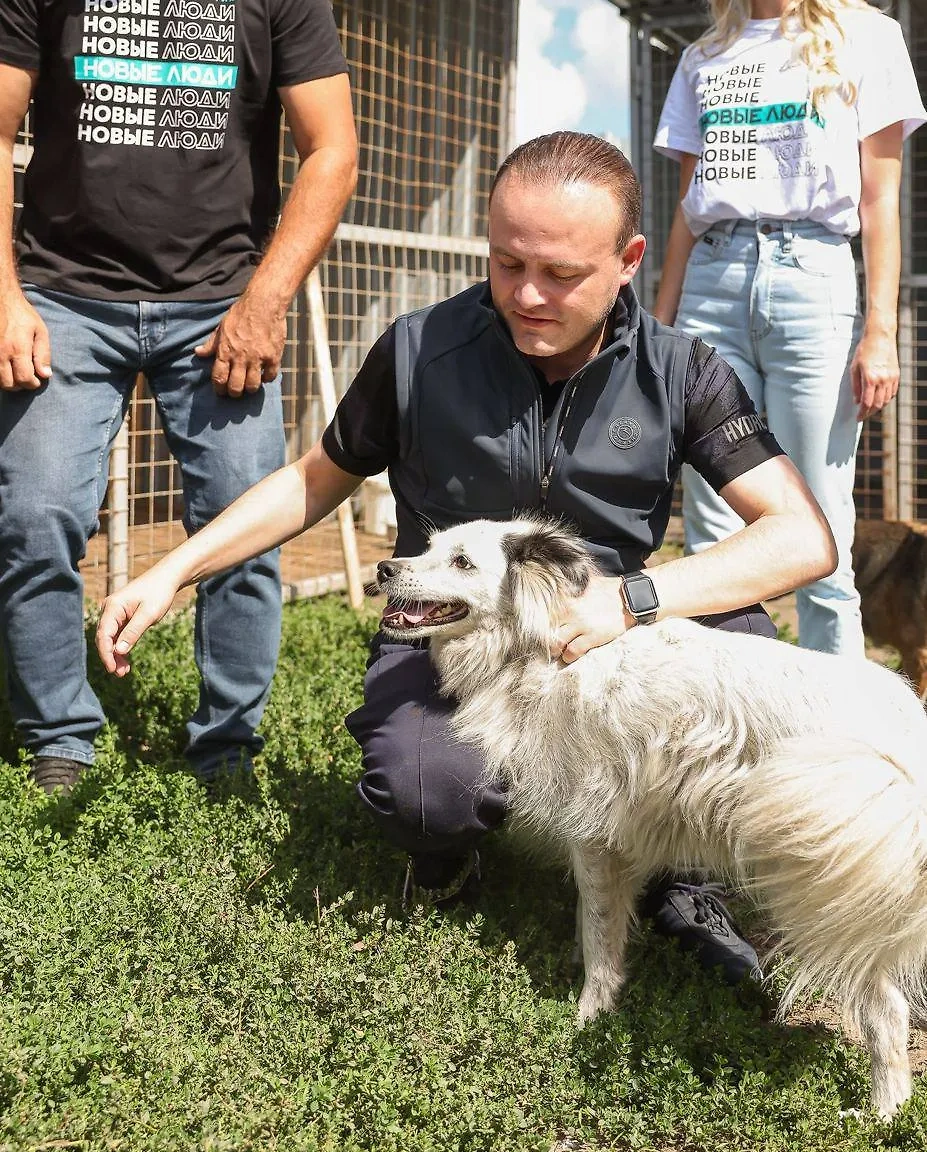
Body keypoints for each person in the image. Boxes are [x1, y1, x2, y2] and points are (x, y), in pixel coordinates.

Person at [97, 132, 837, 982]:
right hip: (456, 634)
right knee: (427, 792)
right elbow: (314, 481)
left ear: (629, 259)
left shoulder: (682, 371)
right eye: (506, 261)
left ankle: (677, 874)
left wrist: (627, 600)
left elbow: (800, 537)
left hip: (610, 637)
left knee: (738, 650)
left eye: (560, 274)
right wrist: (170, 569)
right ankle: (451, 852)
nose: (526, 295)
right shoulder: (418, 348)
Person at [0, 0, 358, 793]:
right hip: (64, 296)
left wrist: (266, 299)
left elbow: (330, 147)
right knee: (33, 516)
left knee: (246, 526)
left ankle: (227, 747)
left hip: (221, 304)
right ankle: (58, 735)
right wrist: (3, 294)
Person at [652, 0, 926, 656]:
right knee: (710, 531)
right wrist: (659, 327)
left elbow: (879, 198)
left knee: (822, 530)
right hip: (710, 282)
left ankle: (839, 738)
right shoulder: (702, 56)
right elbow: (689, 208)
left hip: (813, 278)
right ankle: (727, 730)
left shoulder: (867, 35)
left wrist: (879, 331)